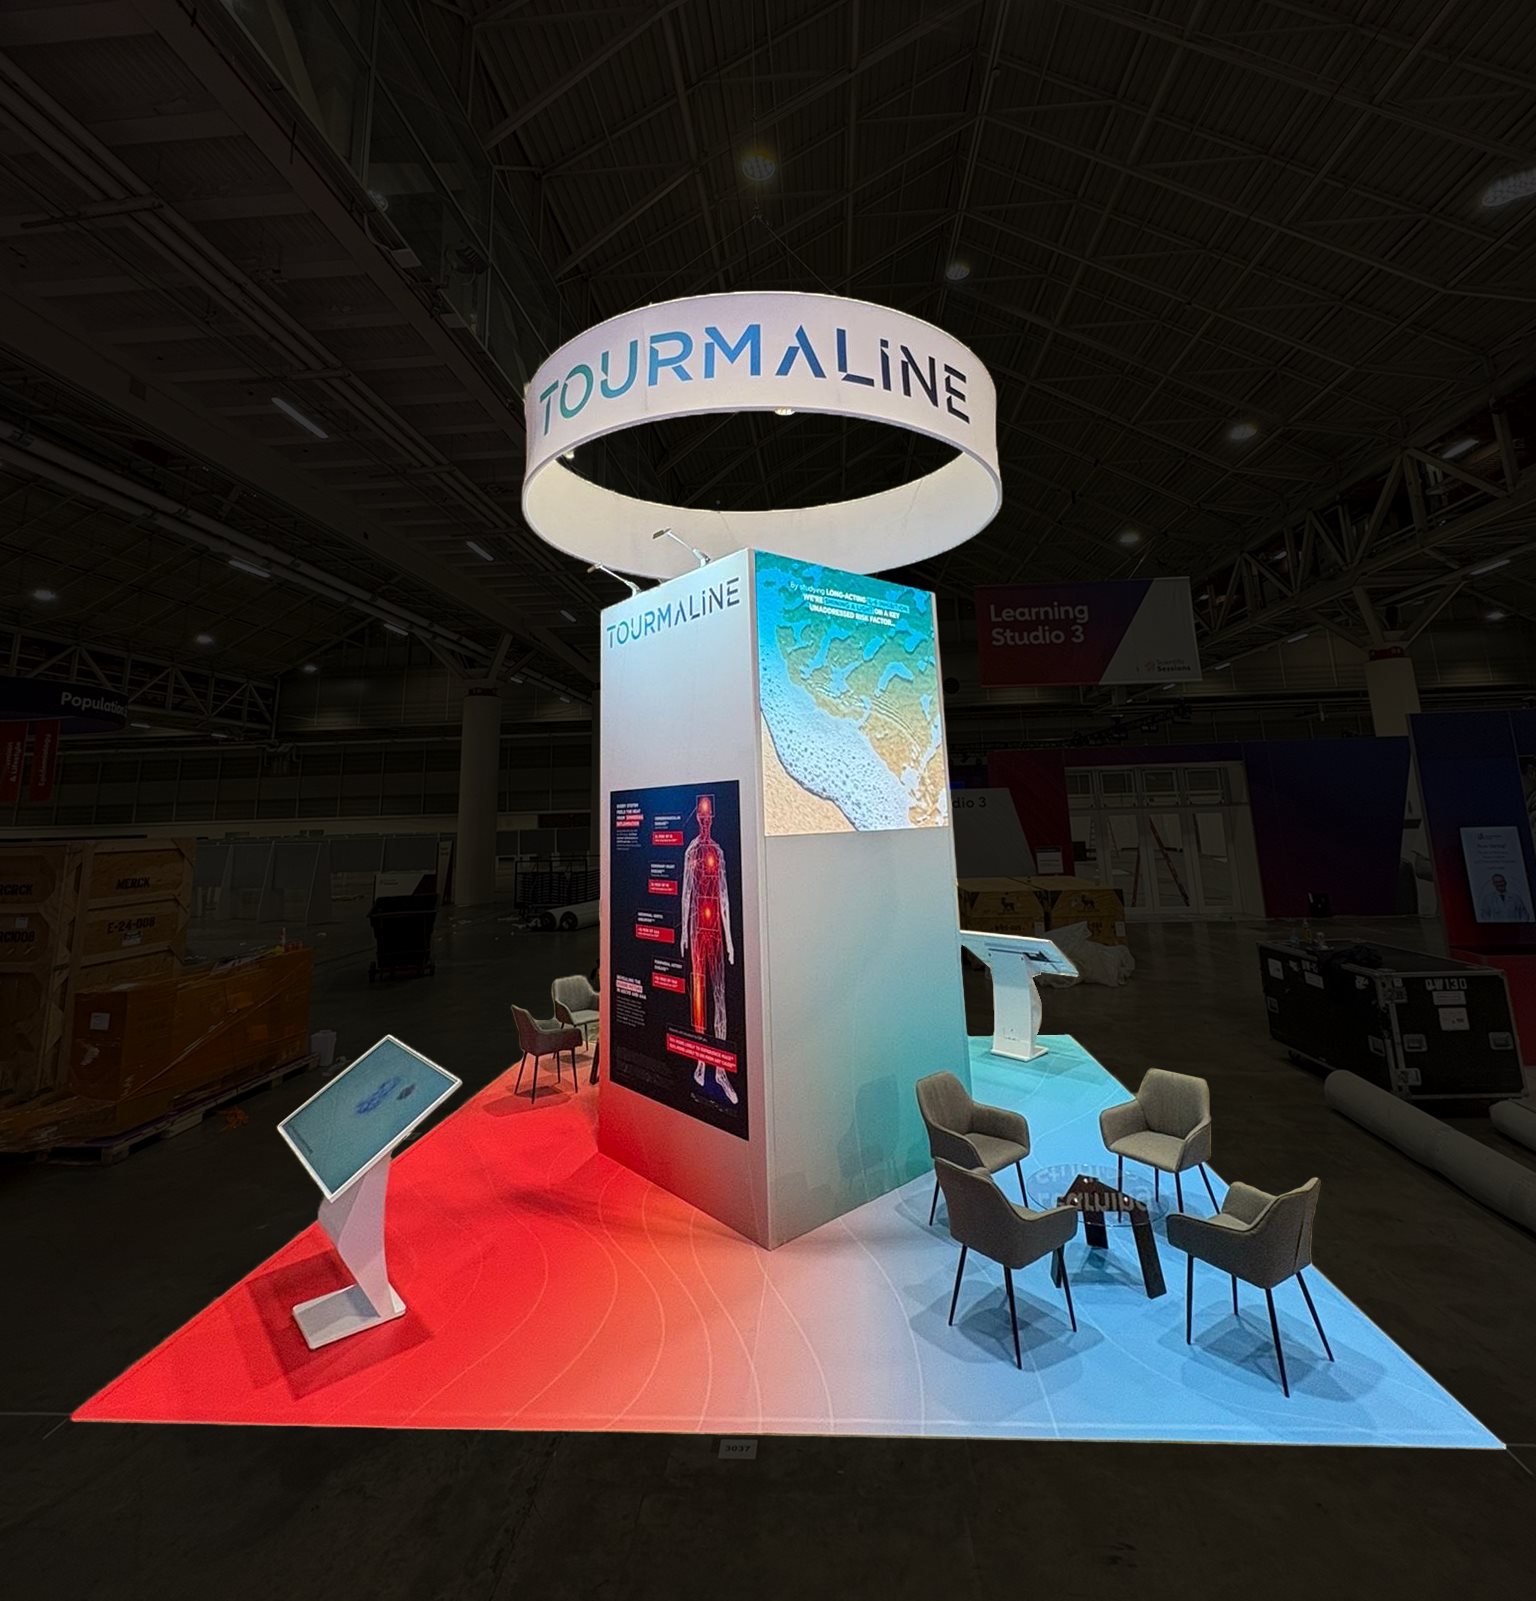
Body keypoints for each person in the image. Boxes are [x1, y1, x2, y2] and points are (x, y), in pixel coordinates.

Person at [679, 793, 738, 1107]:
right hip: (696, 930)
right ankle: (701, 1060)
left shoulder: (718, 851)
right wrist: (683, 934)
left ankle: (721, 1070)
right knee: (699, 996)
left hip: (714, 930)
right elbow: (687, 892)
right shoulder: (691, 851)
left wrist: (729, 940)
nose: (704, 821)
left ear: (712, 818)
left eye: (707, 817)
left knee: (719, 996)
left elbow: (724, 897)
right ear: (698, 818)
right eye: (700, 817)